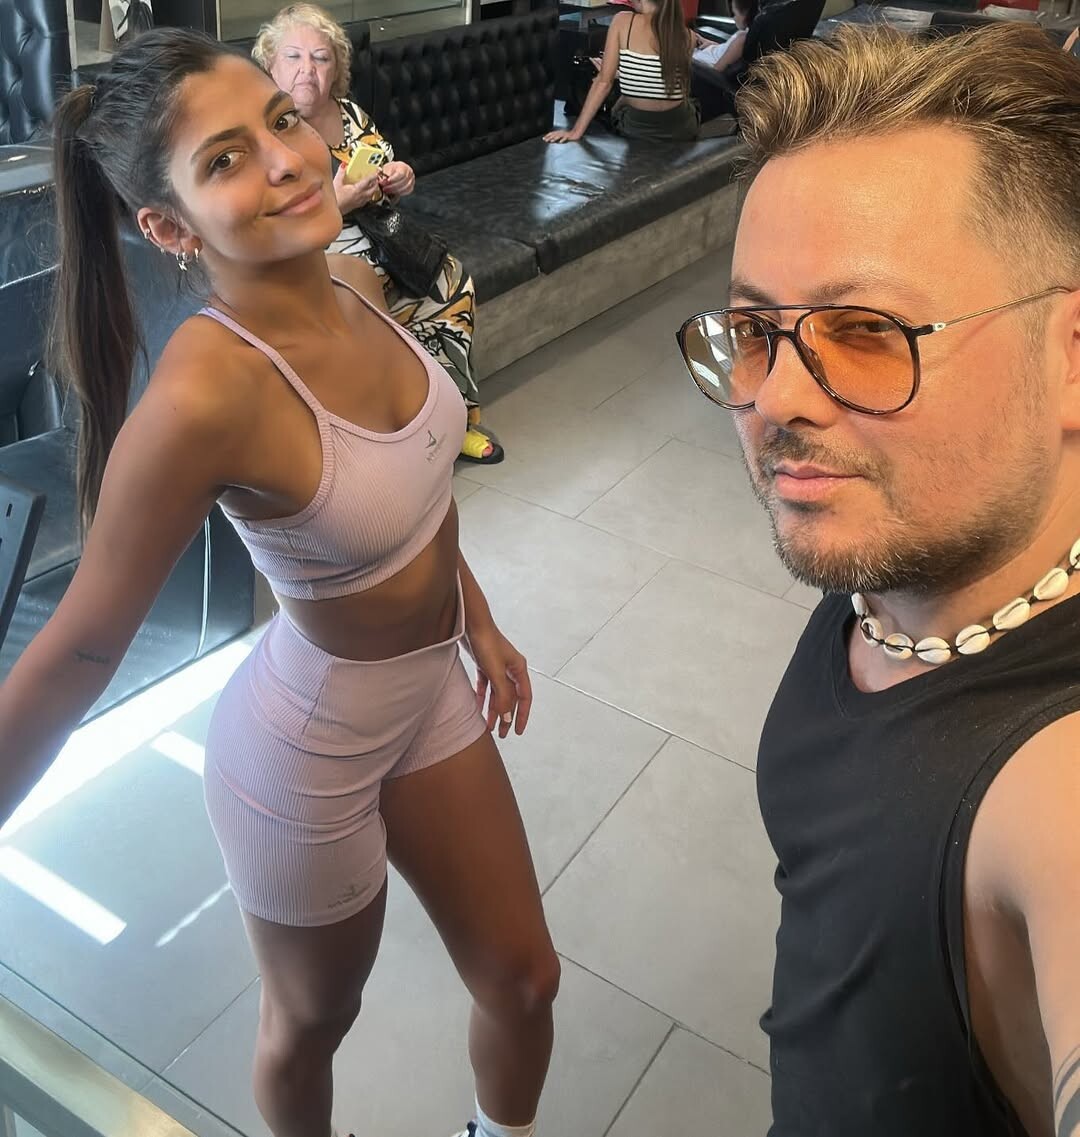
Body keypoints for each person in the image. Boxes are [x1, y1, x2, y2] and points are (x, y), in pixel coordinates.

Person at [0, 28, 558, 1137]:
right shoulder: (205, 397)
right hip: (307, 748)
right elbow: (78, 652)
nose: (289, 161)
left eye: (282, 121)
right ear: (169, 227)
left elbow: (416, 488)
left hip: (426, 690)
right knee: (312, 1024)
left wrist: (478, 621)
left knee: (524, 980)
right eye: (225, 159)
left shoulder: (354, 280)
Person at [676, 23, 1080, 1137]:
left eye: (867, 329)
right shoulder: (902, 562)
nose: (774, 399)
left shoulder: (1054, 779)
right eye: (753, 329)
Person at [253, 3, 503, 465]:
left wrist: (400, 177)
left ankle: (455, 419)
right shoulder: (263, 134)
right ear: (270, 64)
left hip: (383, 240)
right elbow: (262, 228)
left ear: (336, 70)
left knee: (452, 284)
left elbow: (383, 175)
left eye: (321, 58)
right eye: (293, 56)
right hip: (316, 256)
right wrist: (336, 205)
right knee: (366, 310)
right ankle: (395, 435)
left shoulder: (349, 112)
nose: (307, 70)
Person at [544, 0, 698, 144]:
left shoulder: (623, 21)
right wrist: (625, 75)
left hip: (636, 129)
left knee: (613, 102)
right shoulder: (688, 36)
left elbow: (603, 83)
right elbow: (674, 88)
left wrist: (575, 132)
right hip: (682, 129)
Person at [691, 0, 759, 73]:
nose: (734, 18)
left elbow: (716, 71)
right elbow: (727, 50)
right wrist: (711, 44)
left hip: (701, 63)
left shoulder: (742, 39)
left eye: (734, 14)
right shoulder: (745, 34)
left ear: (745, 15)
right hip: (706, 52)